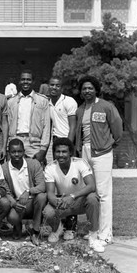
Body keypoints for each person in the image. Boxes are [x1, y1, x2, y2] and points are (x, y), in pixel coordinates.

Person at [74, 76, 122, 246]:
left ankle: (106, 233)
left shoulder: (106, 106)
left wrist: (111, 142)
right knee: (90, 193)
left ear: (96, 89)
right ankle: (93, 230)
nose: (87, 91)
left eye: (90, 88)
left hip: (102, 153)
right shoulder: (80, 110)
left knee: (103, 194)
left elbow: (117, 127)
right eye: (84, 88)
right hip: (85, 152)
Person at [42, 138, 104, 253]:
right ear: (54, 153)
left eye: (64, 152)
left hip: (79, 200)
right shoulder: (50, 167)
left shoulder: (80, 163)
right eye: (58, 152)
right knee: (48, 212)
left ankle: (93, 236)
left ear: (70, 152)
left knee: (92, 198)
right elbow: (50, 192)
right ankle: (57, 229)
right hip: (61, 200)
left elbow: (91, 186)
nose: (61, 155)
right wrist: (56, 202)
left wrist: (72, 196)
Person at [48, 76, 78, 240]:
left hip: (66, 144)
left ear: (61, 87)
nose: (54, 87)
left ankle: (71, 226)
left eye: (57, 85)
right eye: (51, 85)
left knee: (70, 185)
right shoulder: (49, 102)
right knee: (58, 183)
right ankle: (59, 224)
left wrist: (69, 147)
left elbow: (73, 125)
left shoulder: (69, 101)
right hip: (55, 143)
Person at [2, 139, 46, 246]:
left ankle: (35, 230)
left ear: (24, 151)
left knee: (41, 197)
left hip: (32, 202)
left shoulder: (33, 164)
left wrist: (28, 191)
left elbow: (42, 186)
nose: (17, 154)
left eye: (19, 151)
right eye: (13, 152)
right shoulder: (4, 168)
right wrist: (13, 203)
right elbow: (4, 190)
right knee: (12, 218)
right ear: (9, 152)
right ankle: (17, 225)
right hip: (17, 203)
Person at [7, 70, 51, 166]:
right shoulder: (11, 102)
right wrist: (7, 146)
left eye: (28, 79)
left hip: (34, 144)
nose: (25, 82)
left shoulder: (42, 101)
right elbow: (7, 124)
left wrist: (43, 149)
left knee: (35, 175)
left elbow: (46, 126)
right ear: (19, 81)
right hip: (15, 141)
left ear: (33, 82)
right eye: (23, 79)